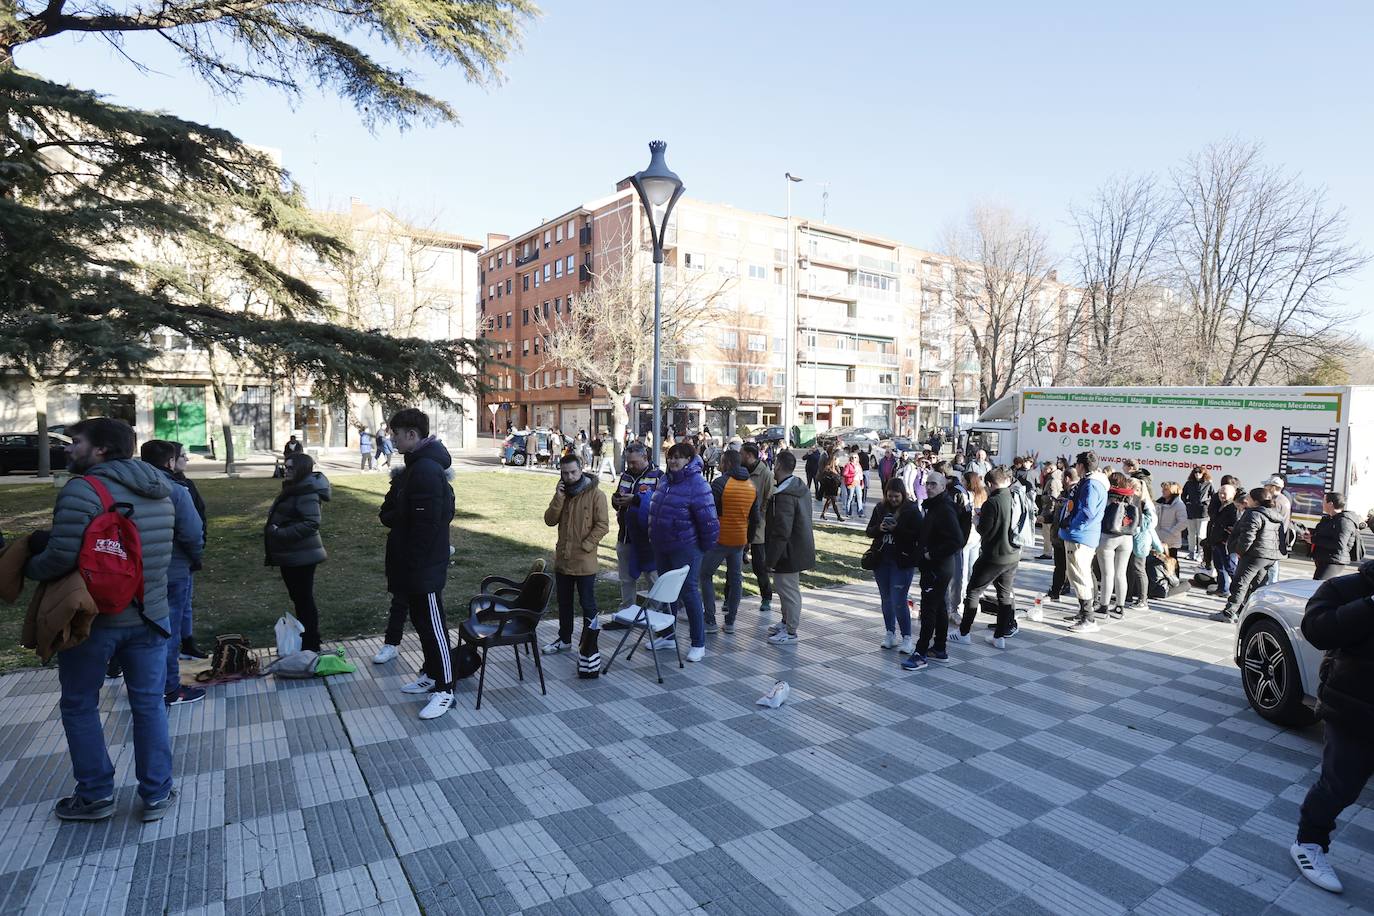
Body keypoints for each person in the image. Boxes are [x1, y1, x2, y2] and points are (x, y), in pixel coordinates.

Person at [25, 418, 178, 822]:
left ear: (101, 450)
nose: (69, 449)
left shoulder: (83, 490)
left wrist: (27, 564)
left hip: (93, 621)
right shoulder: (162, 489)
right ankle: (158, 794)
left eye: (76, 442)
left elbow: (61, 557)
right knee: (149, 705)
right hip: (150, 617)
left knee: (78, 704)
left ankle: (95, 795)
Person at [1289, 559, 1374, 895]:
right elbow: (1318, 630)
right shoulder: (1348, 587)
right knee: (1341, 785)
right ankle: (1309, 843)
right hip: (1354, 710)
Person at [379, 408, 457, 720]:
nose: (392, 439)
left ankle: (446, 689)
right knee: (423, 625)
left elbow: (426, 526)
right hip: (413, 564)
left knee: (434, 627)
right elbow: (389, 512)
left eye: (395, 434)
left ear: (412, 435)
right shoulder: (413, 467)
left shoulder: (425, 469)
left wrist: (412, 562)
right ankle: (430, 673)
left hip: (423, 566)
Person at [139, 440, 205, 706]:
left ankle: (144, 685)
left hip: (137, 572)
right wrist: (195, 556)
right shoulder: (177, 490)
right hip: (173, 571)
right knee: (168, 633)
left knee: (142, 632)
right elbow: (192, 532)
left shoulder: (126, 487)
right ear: (169, 462)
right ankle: (170, 688)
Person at [648, 443, 719, 662]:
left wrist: (702, 549)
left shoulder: (698, 484)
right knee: (666, 593)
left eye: (678, 458)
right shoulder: (665, 480)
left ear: (689, 460)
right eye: (670, 457)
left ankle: (698, 643)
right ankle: (668, 636)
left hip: (686, 548)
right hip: (662, 546)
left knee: (688, 593)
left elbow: (709, 522)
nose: (673, 461)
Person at [541, 453, 610, 656]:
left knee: (587, 604)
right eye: (565, 473)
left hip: (584, 561)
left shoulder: (597, 495)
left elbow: (603, 525)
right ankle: (564, 639)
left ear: (581, 469)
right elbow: (549, 520)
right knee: (564, 603)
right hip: (563, 559)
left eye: (573, 472)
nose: (569, 477)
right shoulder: (563, 494)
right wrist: (558, 497)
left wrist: (587, 545)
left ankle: (589, 644)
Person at [264, 451, 329, 653]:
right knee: (300, 599)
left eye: (291, 467)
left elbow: (311, 523)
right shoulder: (295, 488)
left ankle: (311, 643)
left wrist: (280, 533)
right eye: (286, 466)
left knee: (304, 600)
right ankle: (308, 640)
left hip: (301, 556)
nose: (286, 470)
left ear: (301, 469)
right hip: (293, 554)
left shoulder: (306, 491)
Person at [955, 467, 1022, 648]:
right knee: (1005, 595)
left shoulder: (992, 502)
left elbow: (985, 530)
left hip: (993, 556)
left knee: (973, 591)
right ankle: (999, 636)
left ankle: (964, 632)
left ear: (991, 484)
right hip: (1012, 555)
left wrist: (977, 520)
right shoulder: (1014, 497)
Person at [903, 473, 962, 670]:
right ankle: (939, 648)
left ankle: (920, 653)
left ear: (943, 487)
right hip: (937, 566)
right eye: (927, 483)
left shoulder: (944, 508)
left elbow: (956, 540)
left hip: (939, 567)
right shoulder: (935, 505)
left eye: (933, 484)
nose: (928, 487)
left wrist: (931, 555)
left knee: (929, 610)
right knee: (939, 608)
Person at [702, 449, 759, 635]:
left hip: (720, 539)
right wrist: (748, 542)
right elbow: (755, 518)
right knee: (736, 580)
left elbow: (709, 512)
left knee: (705, 575)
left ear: (726, 464)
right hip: (739, 540)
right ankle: (730, 622)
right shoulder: (751, 486)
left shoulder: (719, 483)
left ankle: (710, 620)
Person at [866, 478, 921, 654]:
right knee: (886, 598)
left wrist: (897, 529)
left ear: (903, 495)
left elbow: (918, 536)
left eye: (896, 496)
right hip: (881, 560)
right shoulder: (880, 508)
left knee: (899, 599)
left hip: (902, 561)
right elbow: (869, 531)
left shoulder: (911, 510)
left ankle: (907, 637)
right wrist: (879, 528)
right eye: (890, 496)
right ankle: (890, 633)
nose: (893, 500)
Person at [765, 450, 814, 644]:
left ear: (777, 465)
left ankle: (791, 631)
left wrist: (770, 559)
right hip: (794, 547)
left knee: (788, 590)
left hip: (788, 550)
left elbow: (782, 530)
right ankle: (786, 622)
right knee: (784, 587)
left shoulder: (785, 495)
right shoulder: (796, 487)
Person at [1215, 487, 1283, 623]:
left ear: (1256, 501)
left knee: (1240, 583)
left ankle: (1229, 612)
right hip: (1269, 555)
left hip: (1254, 555)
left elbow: (1248, 537)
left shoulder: (1253, 514)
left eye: (1249, 498)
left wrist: (1240, 551)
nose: (1246, 500)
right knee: (1257, 586)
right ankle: (1247, 612)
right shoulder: (1275, 515)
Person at [1059, 450, 1109, 633]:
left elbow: (1087, 512)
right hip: (1081, 535)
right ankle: (1083, 612)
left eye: (1076, 465)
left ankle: (1088, 618)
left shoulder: (1091, 485)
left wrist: (1072, 525)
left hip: (1080, 537)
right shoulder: (1092, 482)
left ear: (1081, 466)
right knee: (1080, 574)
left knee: (1079, 576)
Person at [168, 443, 208, 661]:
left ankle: (187, 642)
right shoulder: (172, 488)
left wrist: (198, 549)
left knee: (184, 603)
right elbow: (188, 527)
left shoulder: (187, 485)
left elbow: (199, 518)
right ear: (171, 460)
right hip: (173, 558)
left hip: (186, 556)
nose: (187, 460)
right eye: (183, 456)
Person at [612, 442, 661, 610]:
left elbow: (659, 504)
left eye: (634, 462)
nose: (630, 466)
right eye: (628, 462)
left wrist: (637, 500)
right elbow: (619, 498)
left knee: (653, 577)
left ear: (645, 457)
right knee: (626, 579)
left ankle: (657, 614)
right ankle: (626, 613)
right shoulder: (626, 475)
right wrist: (616, 500)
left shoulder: (658, 476)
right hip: (625, 535)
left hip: (647, 539)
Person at [1095, 472, 1138, 621]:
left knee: (1107, 573)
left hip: (1108, 536)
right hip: (1127, 536)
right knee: (1121, 573)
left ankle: (1104, 606)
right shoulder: (1131, 496)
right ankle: (1120, 607)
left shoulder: (1109, 495)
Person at [949, 470, 986, 636]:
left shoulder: (964, 495)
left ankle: (961, 603)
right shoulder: (982, 493)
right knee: (972, 570)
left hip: (967, 537)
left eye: (963, 480)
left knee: (962, 573)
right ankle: (972, 601)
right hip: (975, 536)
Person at [741, 443, 775, 616]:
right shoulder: (741, 471)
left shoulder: (765, 473)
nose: (740, 457)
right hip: (739, 523)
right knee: (733, 564)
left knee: (759, 565)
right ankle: (728, 598)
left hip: (758, 526)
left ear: (748, 455)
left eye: (741, 454)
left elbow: (769, 496)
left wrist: (760, 513)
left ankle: (766, 597)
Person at [1127, 476, 1163, 613]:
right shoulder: (1134, 500)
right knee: (1132, 568)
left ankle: (1143, 600)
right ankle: (1130, 596)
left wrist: (1136, 526)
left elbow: (1152, 522)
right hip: (1133, 538)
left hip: (1141, 539)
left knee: (1139, 569)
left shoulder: (1145, 503)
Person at [1311, 492, 1364, 581]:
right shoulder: (1329, 518)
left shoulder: (1344, 521)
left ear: (1330, 504)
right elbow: (1321, 534)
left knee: (1318, 585)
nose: (1322, 504)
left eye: (1324, 501)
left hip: (1335, 560)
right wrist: (1310, 536)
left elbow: (1339, 544)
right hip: (1325, 558)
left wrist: (1314, 540)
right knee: (1321, 587)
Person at [1206, 485, 1242, 596]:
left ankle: (1238, 591)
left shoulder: (1233, 508)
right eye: (1220, 493)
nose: (1221, 495)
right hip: (1216, 540)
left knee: (1230, 568)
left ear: (1232, 494)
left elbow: (1235, 527)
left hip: (1226, 543)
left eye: (1224, 493)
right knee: (1219, 566)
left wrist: (1226, 539)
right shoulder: (1219, 505)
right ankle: (1223, 588)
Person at [1046, 468, 1076, 601]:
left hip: (1070, 536)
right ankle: (1056, 590)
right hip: (1059, 536)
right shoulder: (1064, 494)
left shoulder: (1076, 494)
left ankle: (1089, 601)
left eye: (1063, 478)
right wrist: (1046, 518)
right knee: (1059, 566)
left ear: (1067, 479)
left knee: (1076, 568)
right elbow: (1055, 513)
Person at [1267, 475, 1294, 585]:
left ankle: (1272, 586)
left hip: (1274, 538)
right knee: (1273, 564)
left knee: (1272, 565)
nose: (1265, 487)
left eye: (1267, 485)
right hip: (1277, 537)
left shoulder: (1277, 502)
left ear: (1273, 487)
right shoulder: (1283, 499)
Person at [1182, 467, 1213, 561]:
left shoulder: (1208, 484)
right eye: (1195, 473)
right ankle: (1191, 552)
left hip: (1203, 512)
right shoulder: (1189, 483)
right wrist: (1187, 502)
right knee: (1191, 534)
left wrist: (1206, 503)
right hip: (1191, 511)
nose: (1197, 474)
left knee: (1201, 534)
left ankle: (1200, 553)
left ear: (1204, 474)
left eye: (1199, 473)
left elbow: (1213, 496)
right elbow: (1183, 495)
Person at [1036, 460, 1063, 559]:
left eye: (1045, 468)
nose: (1043, 470)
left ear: (1051, 469)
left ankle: (1047, 552)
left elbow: (1053, 499)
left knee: (1047, 533)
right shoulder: (1055, 478)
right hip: (1051, 510)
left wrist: (1048, 514)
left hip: (1049, 511)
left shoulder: (1053, 481)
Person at [817, 454, 843, 521]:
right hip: (829, 487)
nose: (838, 461)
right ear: (833, 461)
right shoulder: (828, 468)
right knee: (834, 502)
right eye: (837, 460)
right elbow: (824, 477)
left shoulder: (837, 468)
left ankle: (822, 514)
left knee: (828, 502)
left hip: (834, 487)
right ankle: (838, 516)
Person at [841, 452, 864, 519]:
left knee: (859, 497)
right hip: (851, 482)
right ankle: (848, 512)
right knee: (850, 498)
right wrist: (853, 474)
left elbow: (861, 474)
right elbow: (844, 474)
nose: (854, 458)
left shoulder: (858, 465)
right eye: (853, 457)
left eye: (855, 457)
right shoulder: (848, 465)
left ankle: (860, 512)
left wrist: (862, 482)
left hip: (857, 482)